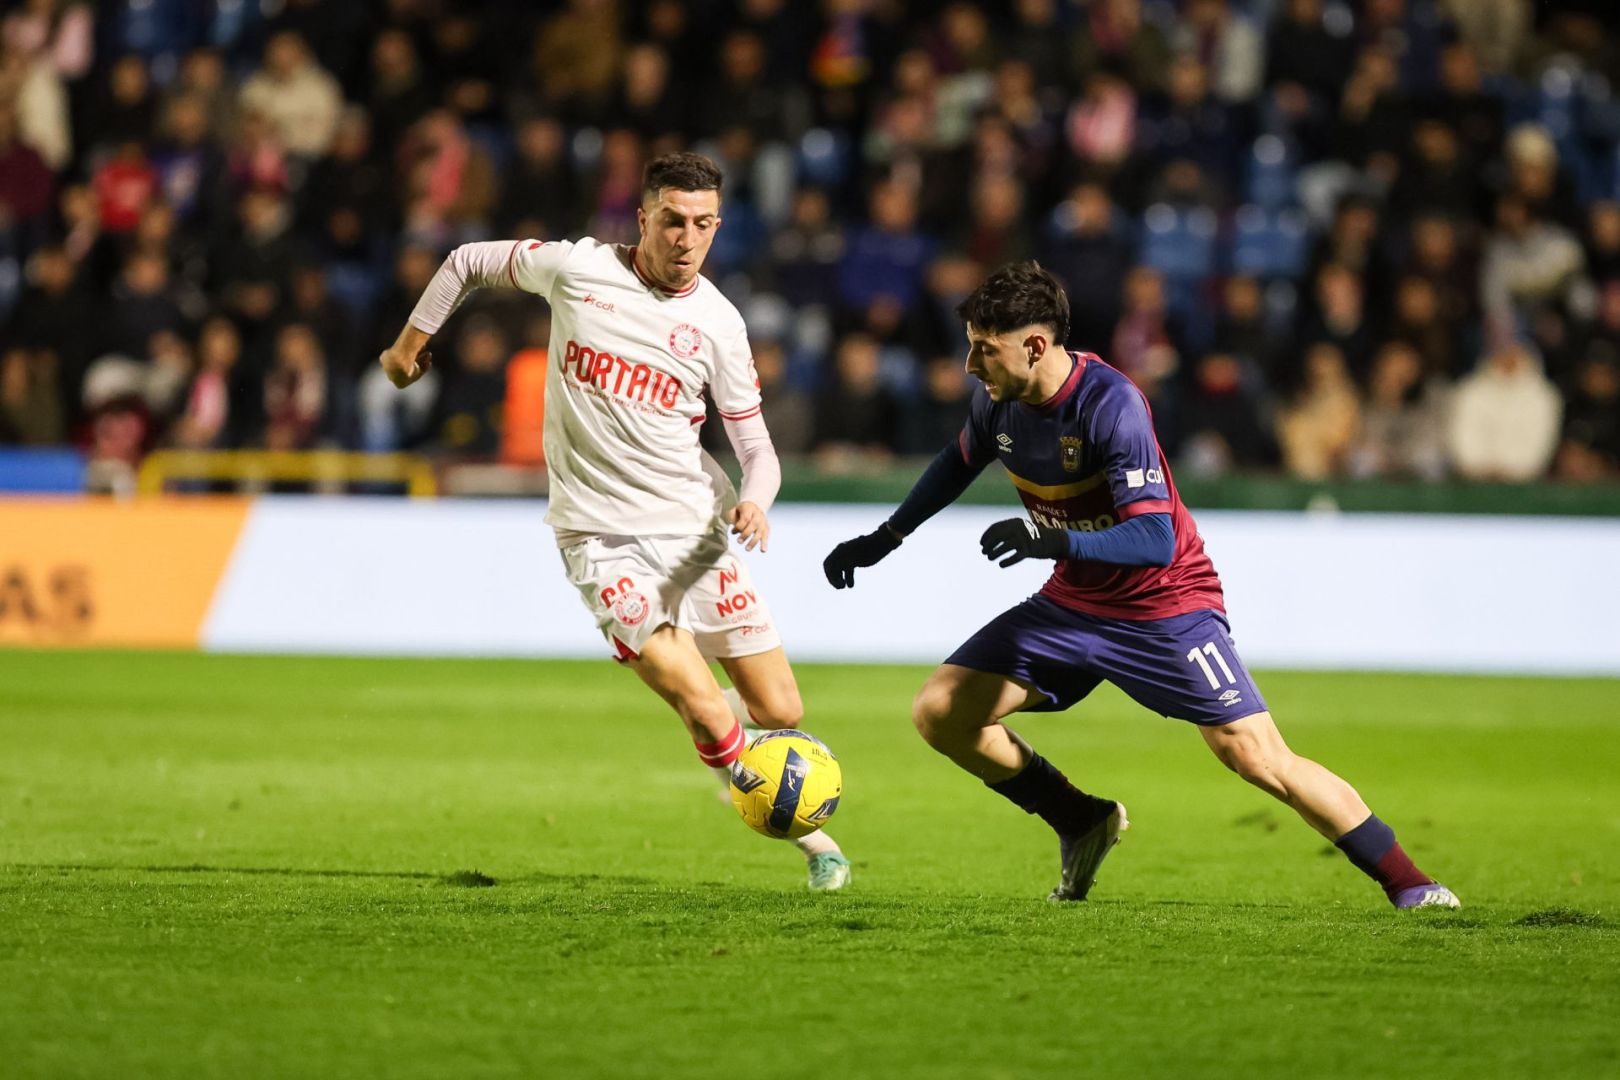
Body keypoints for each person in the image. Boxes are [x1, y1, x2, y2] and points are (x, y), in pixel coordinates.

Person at [822, 261, 1456, 909]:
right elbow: (955, 464)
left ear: (1035, 346)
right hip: (1072, 604)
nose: (969, 365)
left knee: (1256, 756)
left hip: (1166, 608)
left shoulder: (1110, 405)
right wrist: (887, 537)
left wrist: (1052, 541)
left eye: (984, 349)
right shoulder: (998, 404)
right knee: (942, 712)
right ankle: (1080, 819)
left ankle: (1414, 885)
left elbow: (1153, 541)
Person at [378, 152, 851, 891]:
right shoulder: (578, 270)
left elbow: (756, 445)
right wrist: (410, 346)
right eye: (671, 220)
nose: (685, 238)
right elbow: (467, 259)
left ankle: (720, 734)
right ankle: (813, 840)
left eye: (701, 224)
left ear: (717, 226)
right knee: (694, 693)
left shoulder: (720, 323)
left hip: (695, 534)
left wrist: (757, 498)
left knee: (779, 707)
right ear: (643, 218)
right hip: (600, 538)